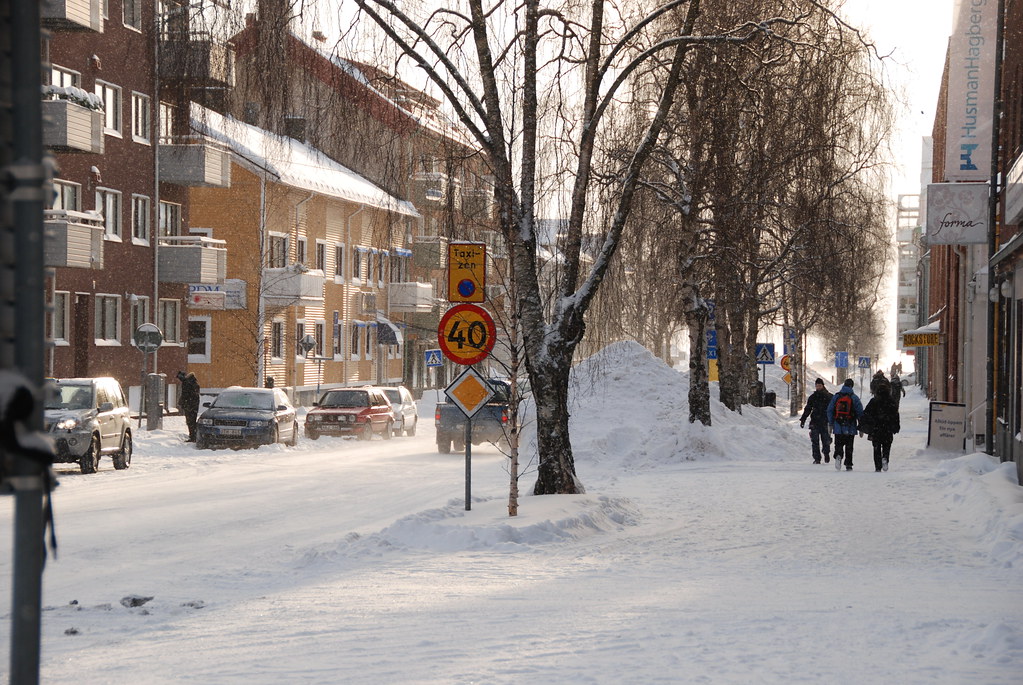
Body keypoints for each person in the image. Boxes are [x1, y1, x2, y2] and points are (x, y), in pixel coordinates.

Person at [862, 378, 900, 472]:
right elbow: (896, 415)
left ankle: (878, 466)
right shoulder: (891, 401)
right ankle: (885, 458)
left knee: (876, 447)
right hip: (888, 428)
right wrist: (896, 426)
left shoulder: (873, 401)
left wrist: (866, 425)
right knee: (887, 446)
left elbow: (866, 413)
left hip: (876, 429)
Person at [827, 378, 864, 471]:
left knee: (838, 444)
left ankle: (838, 455)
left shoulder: (836, 396)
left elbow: (829, 410)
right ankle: (848, 464)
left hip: (838, 426)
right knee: (849, 446)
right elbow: (860, 412)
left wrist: (831, 423)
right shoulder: (854, 398)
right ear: (851, 386)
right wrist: (861, 426)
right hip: (850, 426)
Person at [799, 378, 833, 464]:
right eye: (817, 386)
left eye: (819, 385)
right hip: (815, 421)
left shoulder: (829, 396)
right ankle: (817, 458)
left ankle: (826, 453)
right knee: (815, 441)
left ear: (823, 386)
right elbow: (808, 408)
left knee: (825, 440)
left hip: (825, 421)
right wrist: (803, 419)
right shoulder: (813, 397)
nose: (818, 387)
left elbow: (833, 409)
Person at [177, 370, 200, 442]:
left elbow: (185, 394)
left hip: (189, 405)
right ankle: (194, 436)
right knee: (192, 421)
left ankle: (192, 436)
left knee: (190, 422)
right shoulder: (195, 383)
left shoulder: (187, 383)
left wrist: (183, 403)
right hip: (194, 406)